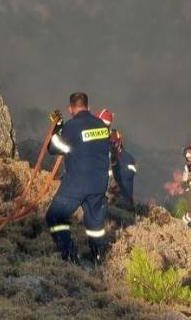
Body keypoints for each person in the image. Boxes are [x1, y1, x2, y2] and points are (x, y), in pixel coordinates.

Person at [45, 92, 111, 264]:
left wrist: (57, 127)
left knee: (55, 217)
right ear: (88, 107)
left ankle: (70, 255)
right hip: (99, 184)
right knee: (95, 223)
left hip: (77, 184)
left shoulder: (71, 126)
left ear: (70, 109)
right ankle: (99, 257)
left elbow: (53, 147)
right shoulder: (102, 126)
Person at [110, 130, 137, 210]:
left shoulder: (127, 158)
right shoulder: (106, 157)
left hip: (123, 202)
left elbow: (127, 175)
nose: (111, 146)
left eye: (113, 143)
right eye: (109, 143)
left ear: (119, 142)